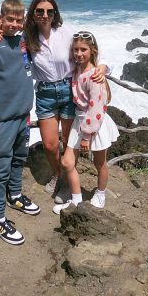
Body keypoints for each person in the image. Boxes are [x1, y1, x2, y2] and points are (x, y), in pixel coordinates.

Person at [22, 0, 108, 204]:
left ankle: (70, 183)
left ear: (55, 13)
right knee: (50, 145)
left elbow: (88, 50)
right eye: (40, 11)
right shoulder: (27, 36)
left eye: (49, 11)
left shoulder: (66, 33)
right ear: (33, 14)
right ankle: (59, 175)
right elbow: (6, 27)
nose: (45, 15)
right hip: (45, 93)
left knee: (69, 142)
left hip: (69, 90)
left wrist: (104, 67)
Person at [0, 0, 40, 246]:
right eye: (9, 19)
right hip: (1, 119)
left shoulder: (24, 41)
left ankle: (15, 195)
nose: (14, 24)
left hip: (23, 115)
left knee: (18, 159)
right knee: (0, 167)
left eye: (18, 20)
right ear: (0, 18)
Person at [53, 31, 118, 214]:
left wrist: (86, 137)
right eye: (76, 50)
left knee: (100, 162)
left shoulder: (94, 76)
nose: (79, 54)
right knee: (67, 162)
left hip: (93, 123)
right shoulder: (78, 68)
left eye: (83, 50)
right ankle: (76, 200)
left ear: (92, 51)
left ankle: (101, 194)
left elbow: (96, 108)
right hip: (80, 121)